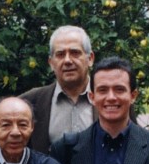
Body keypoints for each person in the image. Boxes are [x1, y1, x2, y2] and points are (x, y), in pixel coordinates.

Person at [20, 25, 96, 154]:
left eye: (75, 53)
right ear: (51, 63)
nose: (67, 60)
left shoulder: (112, 100)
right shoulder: (30, 101)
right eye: (60, 54)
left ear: (90, 58)